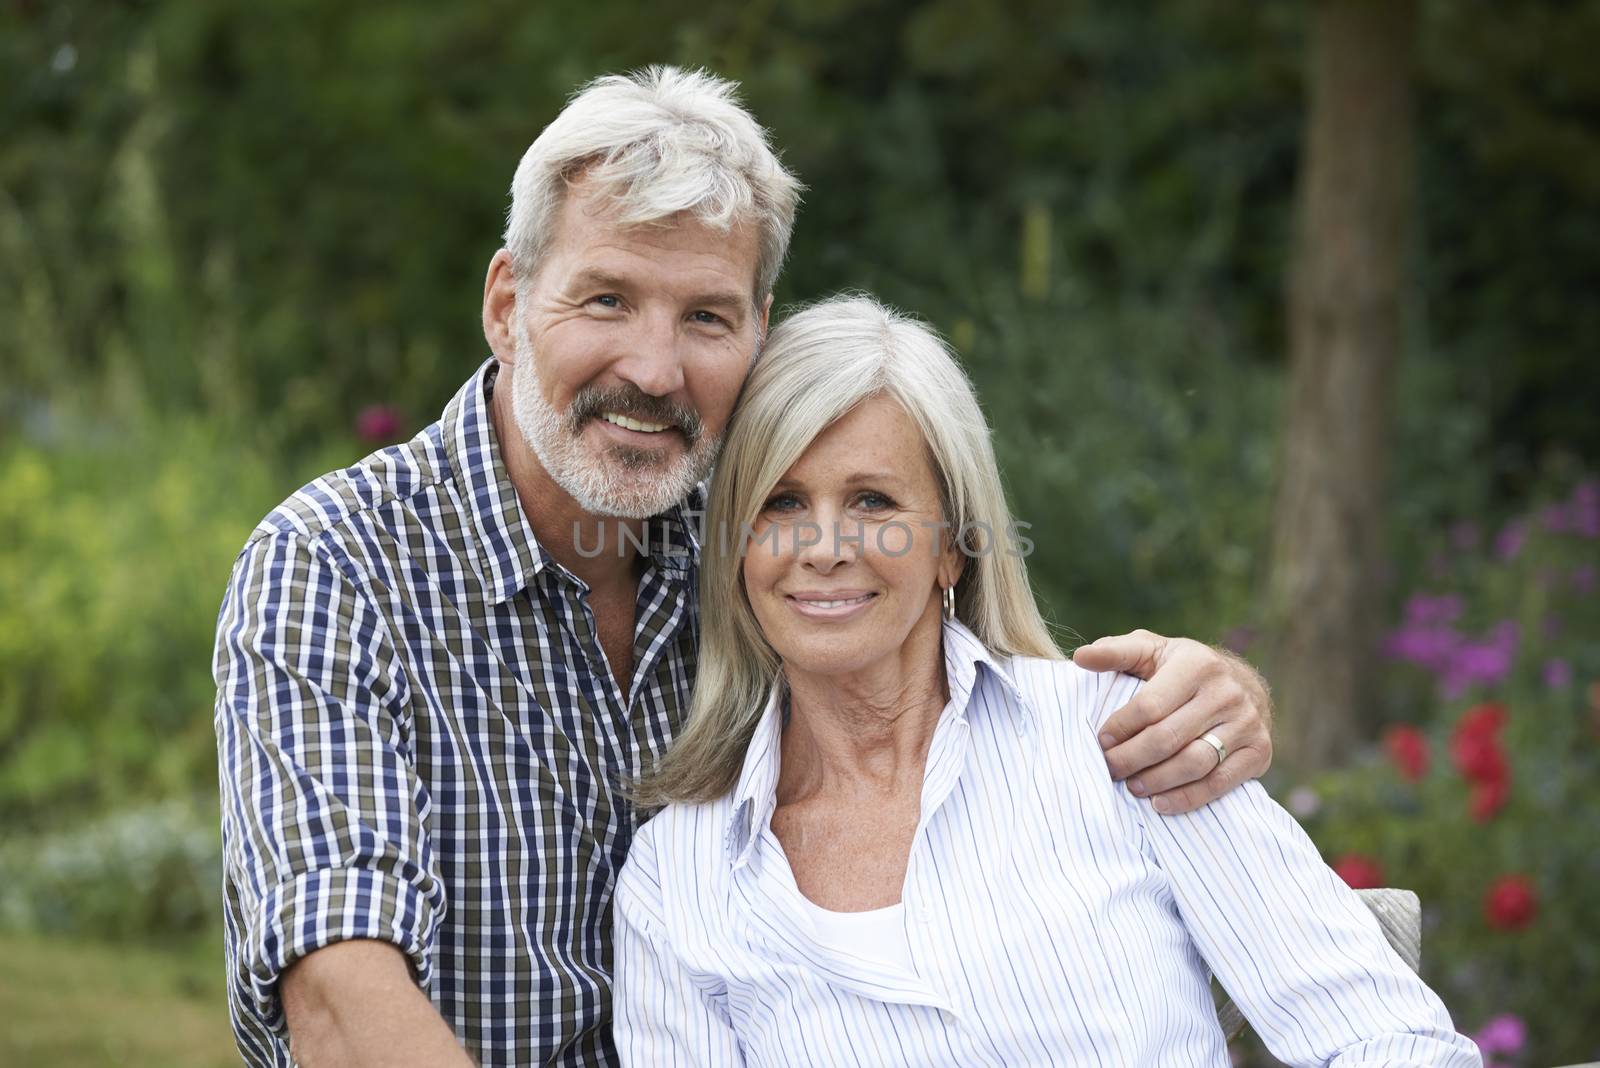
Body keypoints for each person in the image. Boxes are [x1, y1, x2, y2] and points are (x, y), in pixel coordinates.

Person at [213, 67, 1274, 1068]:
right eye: (606, 301)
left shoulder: (756, 539)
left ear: (759, 335)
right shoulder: (335, 570)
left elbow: (970, 688)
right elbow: (339, 1003)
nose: (654, 368)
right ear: (505, 304)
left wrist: (1211, 696)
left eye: (705, 317)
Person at [611, 295, 1481, 1067]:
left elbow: (1384, 1036)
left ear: (953, 542)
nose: (825, 546)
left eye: (874, 501)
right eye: (781, 503)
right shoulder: (678, 873)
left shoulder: (1123, 739)